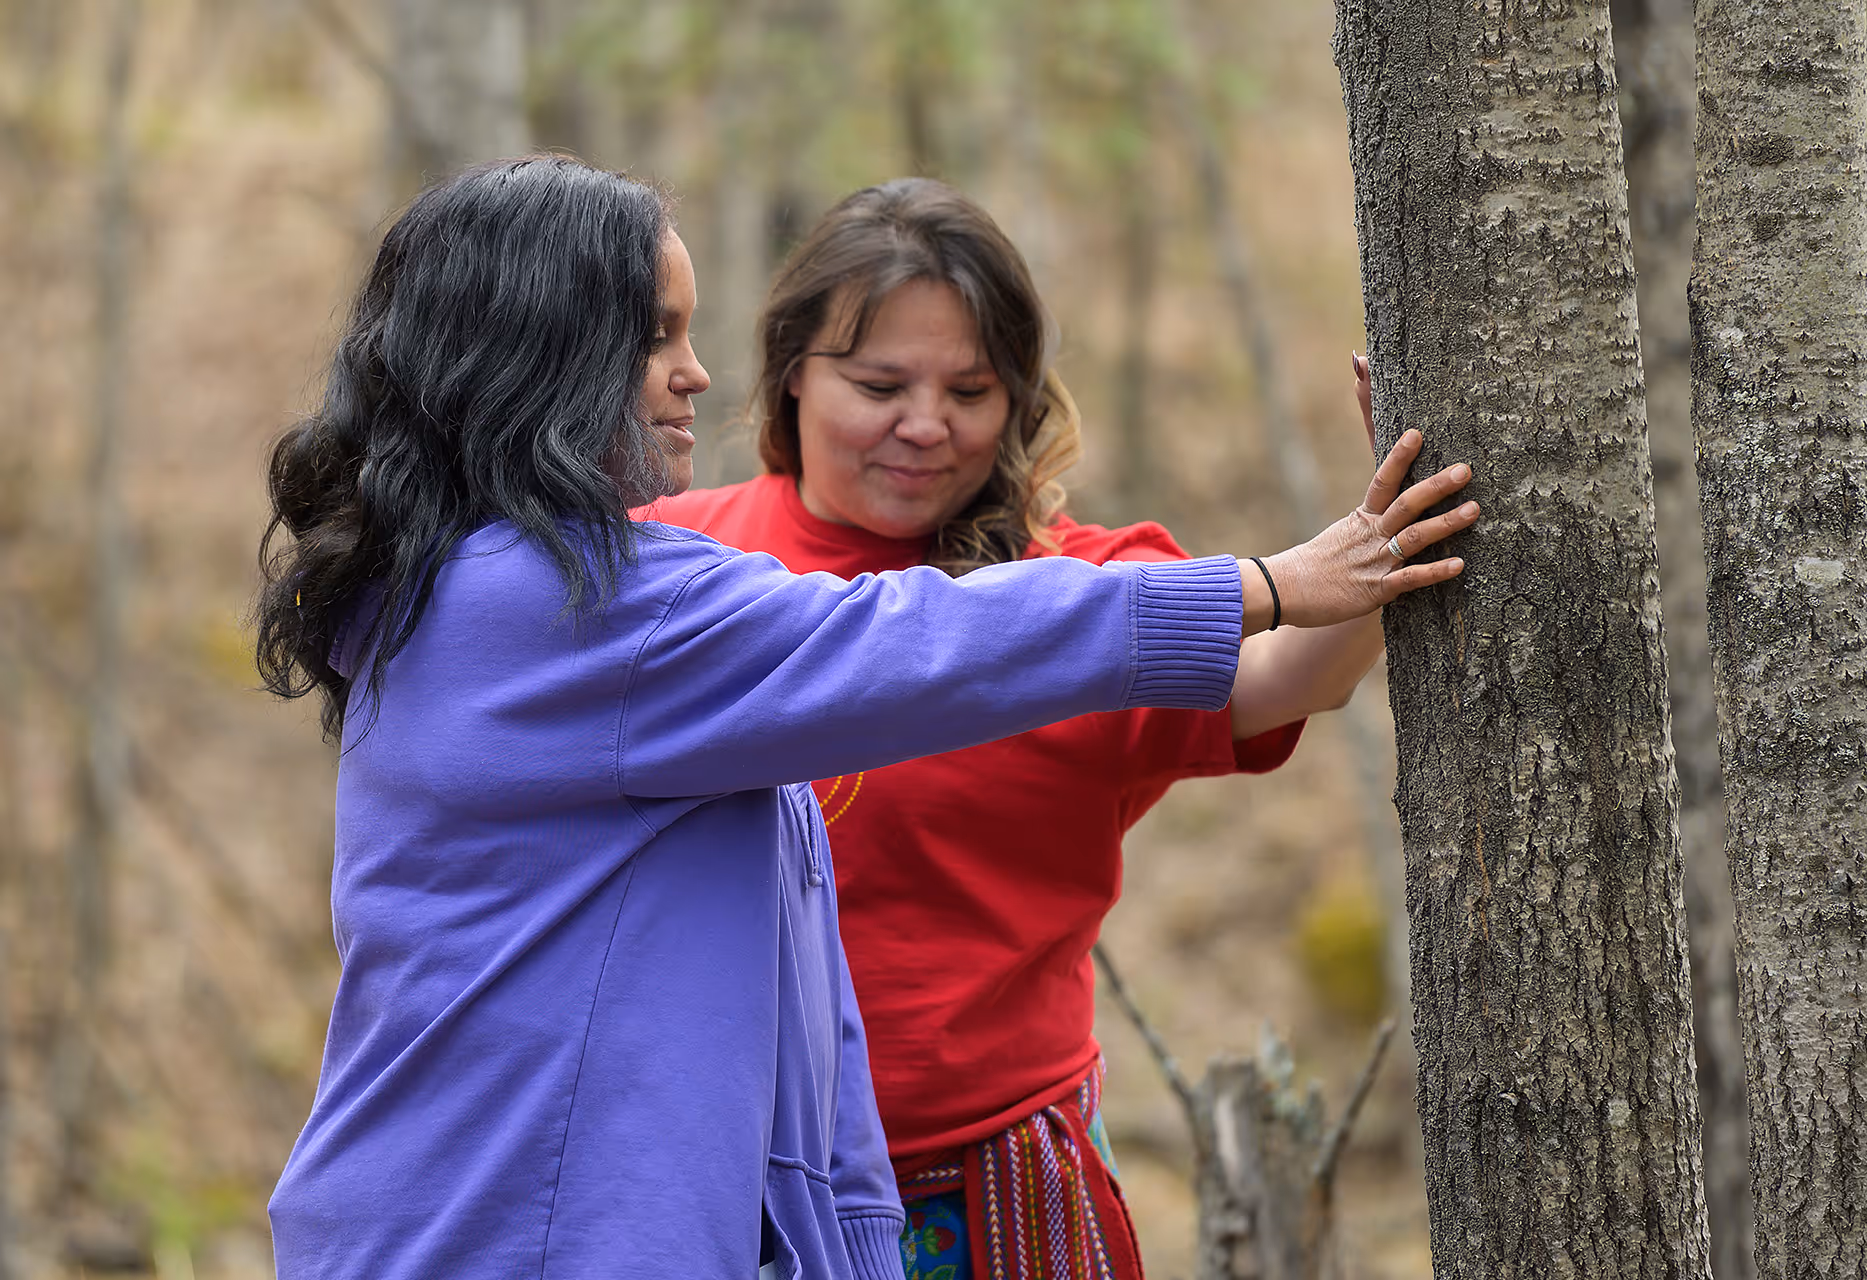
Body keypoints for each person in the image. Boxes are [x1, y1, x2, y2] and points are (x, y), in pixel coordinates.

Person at [253, 158, 1474, 1280]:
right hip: (524, 1219)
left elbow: (1263, 678)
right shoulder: (591, 599)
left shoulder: (497, 583)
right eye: (657, 337)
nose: (695, 372)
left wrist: (1359, 562)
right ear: (545, 359)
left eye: (969, 388)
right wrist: (1259, 581)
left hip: (759, 1191)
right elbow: (906, 645)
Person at [645, 178, 1472, 1279]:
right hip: (718, 1182)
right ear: (792, 373)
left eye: (971, 389)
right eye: (879, 382)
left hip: (990, 1190)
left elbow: (1286, 671)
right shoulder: (675, 560)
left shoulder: (1087, 593)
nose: (926, 426)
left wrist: (1378, 547)